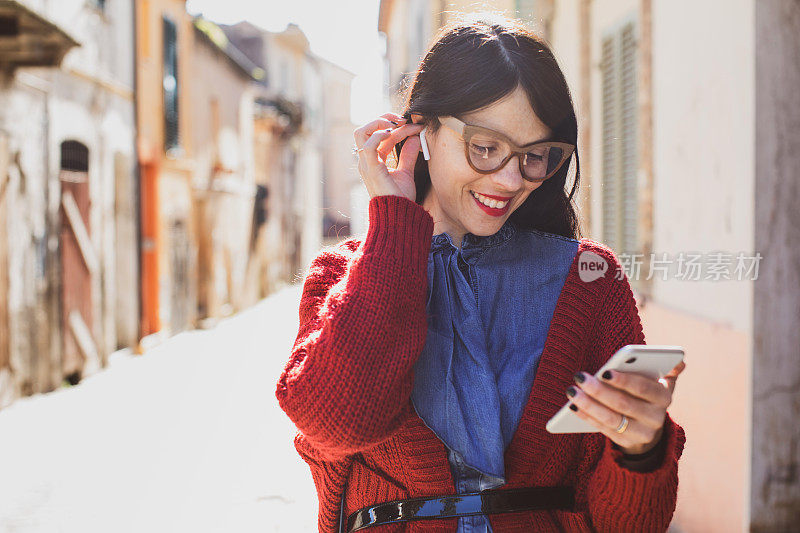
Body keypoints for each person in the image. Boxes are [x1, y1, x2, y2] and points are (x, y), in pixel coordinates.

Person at [276, 12, 686, 533]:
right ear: (420, 130)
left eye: (536, 155)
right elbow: (337, 422)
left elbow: (634, 526)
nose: (512, 179)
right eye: (487, 148)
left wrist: (642, 450)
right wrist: (396, 230)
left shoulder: (588, 281)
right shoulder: (342, 276)